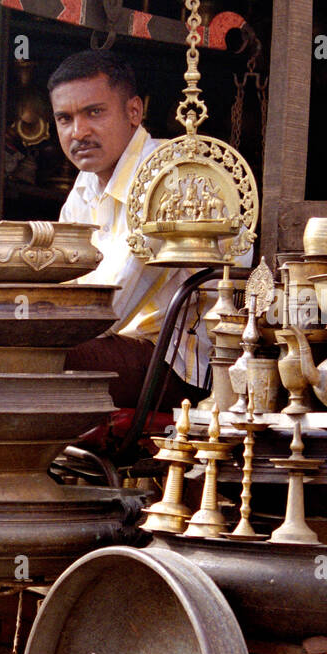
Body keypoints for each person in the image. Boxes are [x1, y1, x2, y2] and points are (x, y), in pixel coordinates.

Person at [49, 50, 210, 413]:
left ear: (134, 112)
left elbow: (110, 309)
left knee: (27, 362)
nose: (79, 132)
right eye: (65, 118)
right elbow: (60, 279)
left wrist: (28, 335)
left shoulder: (169, 175)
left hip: (176, 365)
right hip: (115, 346)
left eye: (94, 112)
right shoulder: (86, 184)